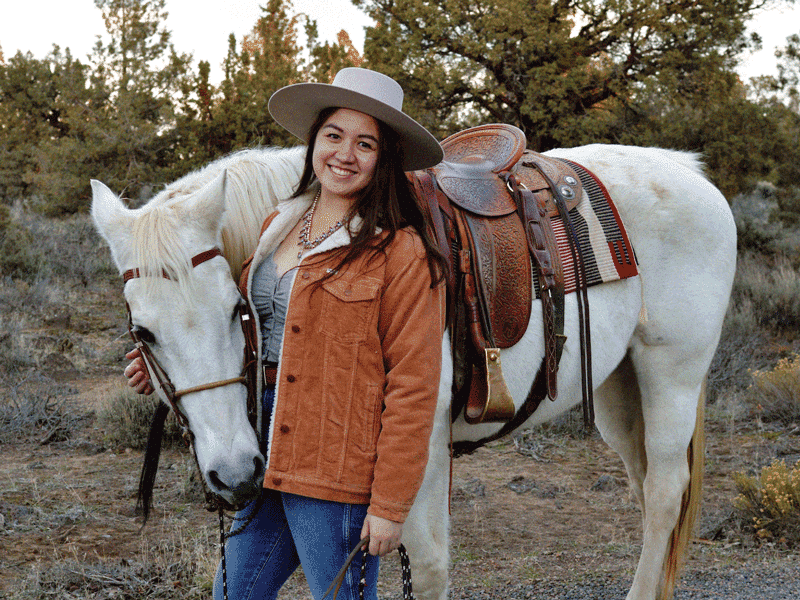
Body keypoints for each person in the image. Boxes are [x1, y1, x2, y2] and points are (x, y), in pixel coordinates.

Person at [124, 67, 447, 600]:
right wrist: (163, 366)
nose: (345, 154)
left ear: (383, 158)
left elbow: (414, 387)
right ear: (314, 142)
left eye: (365, 143)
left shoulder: (402, 254)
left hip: (336, 461)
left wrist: (390, 506)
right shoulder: (277, 228)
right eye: (333, 136)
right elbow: (243, 331)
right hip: (264, 445)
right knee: (233, 594)